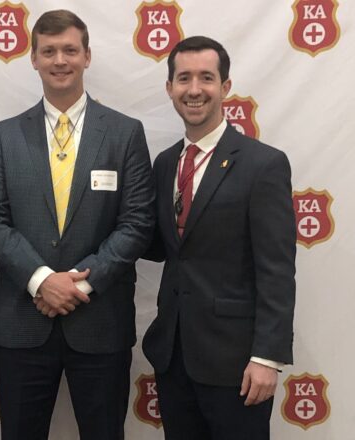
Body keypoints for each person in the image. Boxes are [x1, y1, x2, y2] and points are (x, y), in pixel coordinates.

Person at [0, 9, 154, 440]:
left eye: (70, 50)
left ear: (87, 56)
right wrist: (41, 280)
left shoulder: (125, 133)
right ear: (33, 59)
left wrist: (78, 286)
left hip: (100, 322)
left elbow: (136, 222)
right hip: (23, 321)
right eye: (49, 51)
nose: (60, 60)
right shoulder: (6, 134)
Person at [142, 36, 296, 440]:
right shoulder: (164, 163)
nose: (194, 90)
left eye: (206, 78)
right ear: (170, 88)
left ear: (225, 87)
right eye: (183, 78)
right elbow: (162, 248)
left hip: (238, 365)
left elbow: (277, 269)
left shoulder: (263, 165)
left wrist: (267, 357)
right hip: (173, 357)